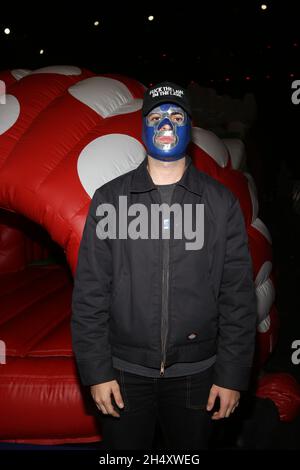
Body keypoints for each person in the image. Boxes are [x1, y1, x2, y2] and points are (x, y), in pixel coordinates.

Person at [71, 81, 257, 450]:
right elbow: (90, 292)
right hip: (123, 372)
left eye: (175, 116)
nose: (166, 125)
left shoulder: (220, 203)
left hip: (198, 374)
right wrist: (96, 372)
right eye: (156, 117)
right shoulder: (110, 199)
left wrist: (232, 376)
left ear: (190, 126)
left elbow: (238, 295)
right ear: (143, 128)